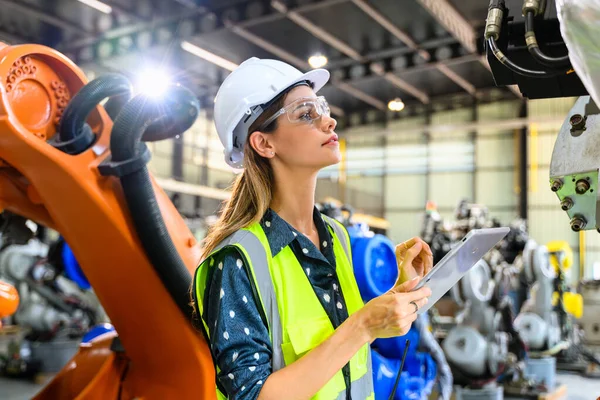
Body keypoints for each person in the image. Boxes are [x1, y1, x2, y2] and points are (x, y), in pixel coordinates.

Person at [191, 57, 433, 400]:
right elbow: (250, 395)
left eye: (323, 108)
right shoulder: (236, 260)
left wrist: (396, 295)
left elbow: (335, 340)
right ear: (264, 144)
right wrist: (362, 326)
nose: (329, 119)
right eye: (306, 114)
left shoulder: (336, 236)